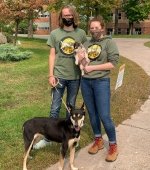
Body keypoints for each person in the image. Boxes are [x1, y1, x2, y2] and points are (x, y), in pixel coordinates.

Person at [33, 5, 87, 149]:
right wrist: (51, 75)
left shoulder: (81, 33)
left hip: (75, 77)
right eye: (64, 15)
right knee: (55, 107)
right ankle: (48, 138)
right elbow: (52, 55)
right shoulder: (55, 33)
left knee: (71, 108)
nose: (67, 18)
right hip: (59, 76)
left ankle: (70, 135)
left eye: (69, 15)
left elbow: (83, 54)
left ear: (74, 16)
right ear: (61, 17)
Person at [80, 16, 119, 162]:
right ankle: (98, 140)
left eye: (97, 27)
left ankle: (113, 145)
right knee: (92, 114)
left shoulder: (109, 42)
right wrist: (81, 58)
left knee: (104, 115)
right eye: (92, 28)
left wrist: (93, 68)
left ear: (102, 28)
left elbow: (113, 63)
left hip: (101, 81)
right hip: (86, 82)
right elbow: (84, 63)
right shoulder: (86, 42)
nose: (94, 30)